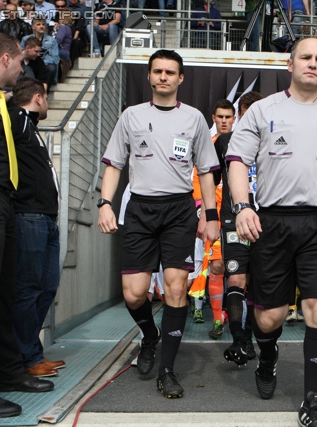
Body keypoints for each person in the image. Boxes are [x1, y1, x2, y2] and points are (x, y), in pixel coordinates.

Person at [226, 37, 317, 427]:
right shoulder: (263, 110)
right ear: (290, 65)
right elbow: (236, 161)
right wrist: (242, 207)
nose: (312, 63)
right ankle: (267, 359)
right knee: (269, 318)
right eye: (305, 57)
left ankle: (312, 403)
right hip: (272, 222)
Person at [98, 49, 220, 399]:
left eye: (170, 72)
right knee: (134, 294)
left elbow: (208, 172)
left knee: (176, 289)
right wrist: (105, 203)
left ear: (181, 78)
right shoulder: (131, 116)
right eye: (158, 71)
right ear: (149, 77)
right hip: (140, 210)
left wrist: (209, 216)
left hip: (179, 210)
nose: (164, 77)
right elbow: (114, 164)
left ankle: (166, 369)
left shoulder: (194, 119)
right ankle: (150, 336)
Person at [0, 31, 54, 420]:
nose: (23, 68)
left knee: (4, 294)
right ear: (7, 58)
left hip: (2, 202)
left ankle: (7, 372)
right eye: (21, 62)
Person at [9, 77, 64, 378]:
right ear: (39, 98)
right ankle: (27, 357)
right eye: (46, 96)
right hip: (29, 215)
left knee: (47, 286)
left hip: (45, 218)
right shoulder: (17, 118)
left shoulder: (31, 127)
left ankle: (29, 351)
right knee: (28, 289)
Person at [216, 91, 263, 365]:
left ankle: (248, 338)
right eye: (247, 114)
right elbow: (208, 176)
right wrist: (208, 214)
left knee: (258, 284)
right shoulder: (224, 141)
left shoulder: (274, 140)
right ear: (241, 115)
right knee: (235, 278)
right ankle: (238, 340)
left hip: (268, 220)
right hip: (233, 218)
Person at [192, 99, 235, 339]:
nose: (224, 121)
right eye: (220, 117)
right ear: (213, 118)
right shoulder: (206, 147)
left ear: (234, 119)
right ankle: (218, 318)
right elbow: (198, 182)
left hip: (241, 217)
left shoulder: (243, 145)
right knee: (216, 266)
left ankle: (241, 319)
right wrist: (203, 215)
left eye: (228, 117)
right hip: (215, 218)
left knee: (241, 272)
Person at [21, 18, 59, 86]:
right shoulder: (25, 39)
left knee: (51, 68)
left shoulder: (52, 40)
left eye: (43, 24)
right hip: (30, 62)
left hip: (45, 64)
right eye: (38, 24)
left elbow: (55, 58)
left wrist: (41, 62)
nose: (41, 26)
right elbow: (21, 52)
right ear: (33, 27)